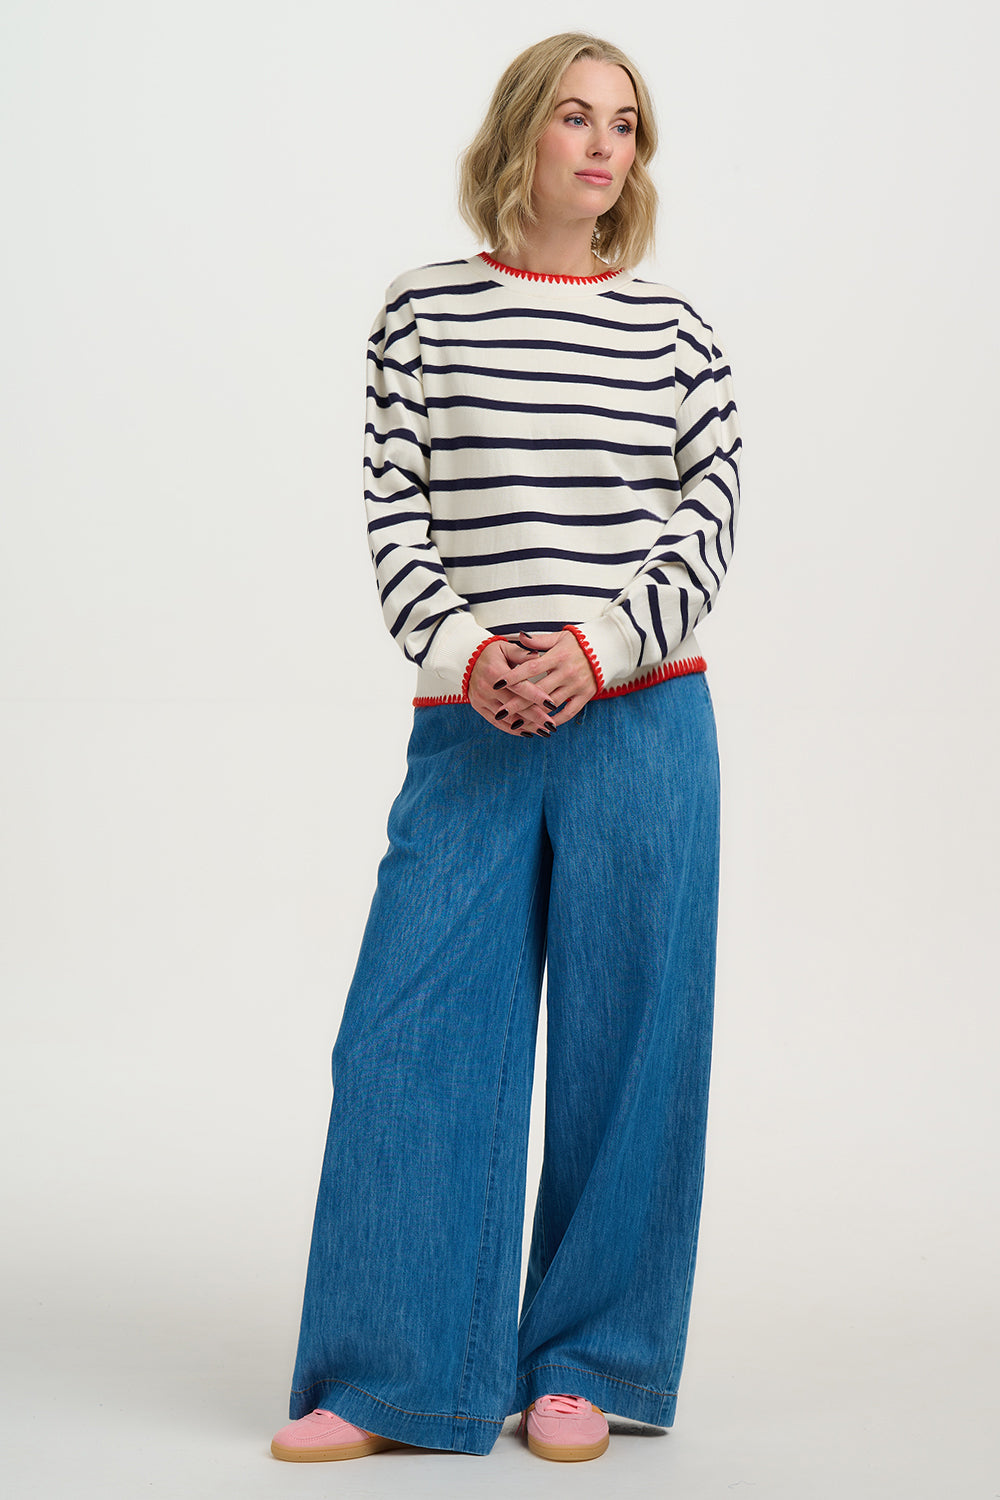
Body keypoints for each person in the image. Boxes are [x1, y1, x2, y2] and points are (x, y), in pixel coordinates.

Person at [270, 30, 742, 1465]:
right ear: (520, 136)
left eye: (629, 127)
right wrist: (474, 655)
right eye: (577, 118)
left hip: (641, 720)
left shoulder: (681, 336)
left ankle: (587, 1359)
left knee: (630, 1042)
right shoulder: (423, 312)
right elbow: (396, 515)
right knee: (410, 1036)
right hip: (468, 725)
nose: (605, 146)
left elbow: (705, 518)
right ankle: (390, 1373)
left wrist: (595, 651)